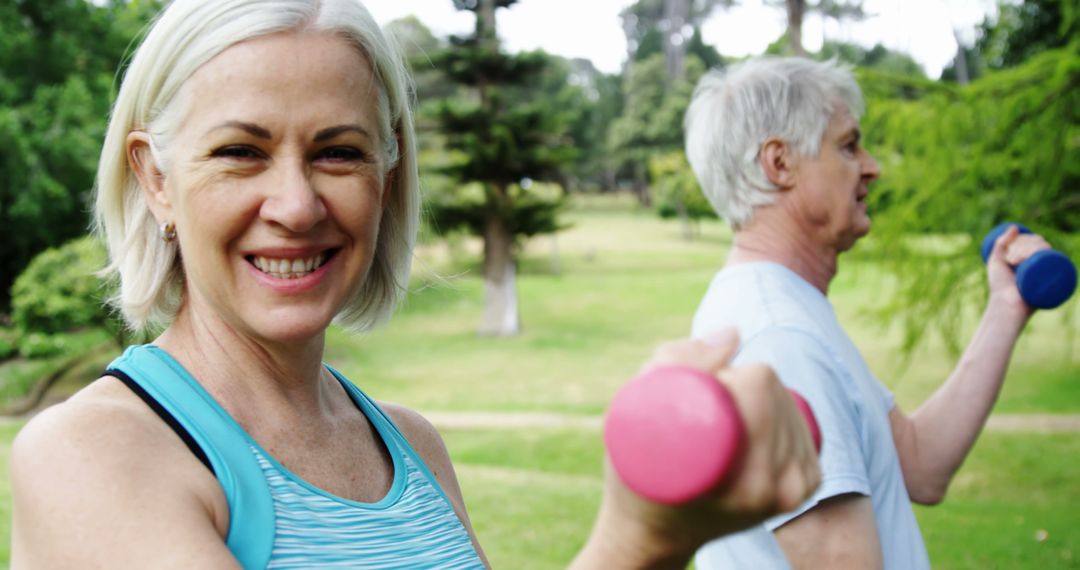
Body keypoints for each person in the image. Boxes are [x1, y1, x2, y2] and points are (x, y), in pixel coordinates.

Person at [8, 2, 822, 568]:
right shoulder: (90, 456)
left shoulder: (411, 447)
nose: (296, 204)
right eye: (240, 152)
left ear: (389, 174)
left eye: (339, 152)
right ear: (154, 178)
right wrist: (639, 543)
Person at [683, 56, 1055, 569]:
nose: (872, 166)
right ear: (779, 163)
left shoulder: (782, 311)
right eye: (848, 145)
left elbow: (920, 466)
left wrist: (1006, 308)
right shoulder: (780, 338)